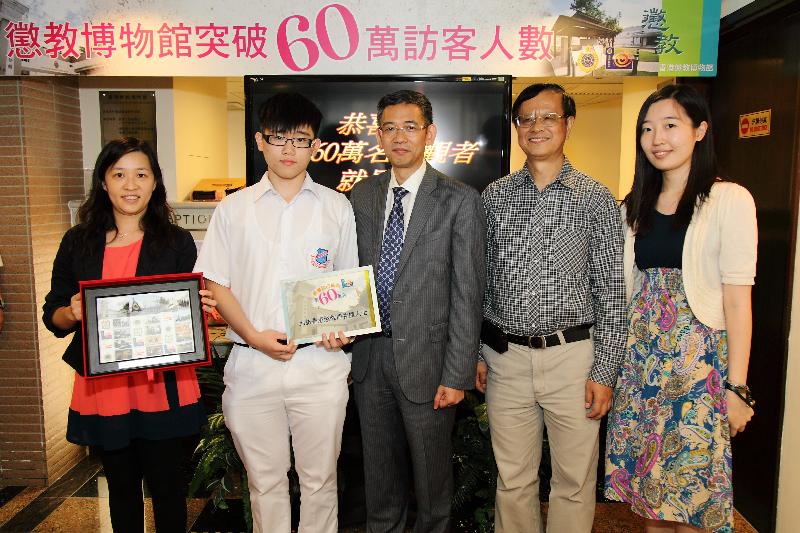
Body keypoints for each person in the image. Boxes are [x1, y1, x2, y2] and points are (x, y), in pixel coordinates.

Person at [195, 92, 358, 533]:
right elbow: (215, 283)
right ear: (259, 142)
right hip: (251, 368)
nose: (289, 149)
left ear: (315, 146)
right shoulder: (233, 209)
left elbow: (346, 287)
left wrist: (340, 328)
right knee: (264, 484)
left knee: (320, 482)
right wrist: (251, 335)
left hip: (319, 367)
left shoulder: (336, 206)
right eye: (278, 138)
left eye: (300, 140)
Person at [42, 137, 216, 533]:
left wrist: (200, 310)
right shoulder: (78, 242)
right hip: (105, 389)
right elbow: (52, 317)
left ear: (155, 182)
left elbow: (190, 313)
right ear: (103, 182)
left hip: (163, 384)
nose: (130, 184)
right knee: (120, 488)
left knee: (169, 487)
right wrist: (70, 311)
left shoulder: (175, 241)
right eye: (119, 174)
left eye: (141, 174)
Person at [604, 84, 757, 533]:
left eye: (671, 126)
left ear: (700, 130)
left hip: (698, 374)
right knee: (651, 505)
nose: (657, 138)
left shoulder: (729, 199)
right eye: (648, 129)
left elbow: (737, 301)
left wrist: (738, 388)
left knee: (691, 506)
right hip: (641, 369)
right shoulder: (632, 207)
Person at [475, 82, 626, 533]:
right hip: (507, 360)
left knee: (574, 481)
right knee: (513, 479)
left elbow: (612, 293)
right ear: (516, 128)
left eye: (548, 117)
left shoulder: (595, 198)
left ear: (569, 124)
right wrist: (479, 352)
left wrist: (605, 371)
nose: (536, 126)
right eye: (526, 119)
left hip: (573, 360)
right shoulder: (494, 197)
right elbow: (482, 282)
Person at [349, 89, 486, 533]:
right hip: (370, 362)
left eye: (410, 127)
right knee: (380, 484)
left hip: (430, 367)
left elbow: (469, 293)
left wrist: (457, 373)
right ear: (378, 135)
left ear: (430, 133)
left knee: (432, 489)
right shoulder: (362, 196)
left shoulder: (459, 199)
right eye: (389, 128)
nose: (399, 137)